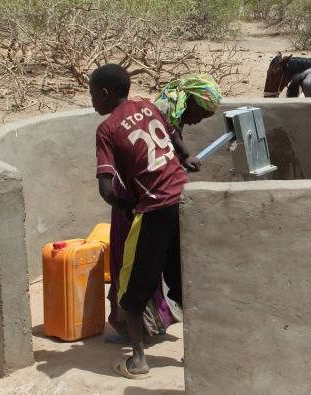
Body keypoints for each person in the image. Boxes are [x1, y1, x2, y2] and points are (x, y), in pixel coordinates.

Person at [89, 64, 222, 379]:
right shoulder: (147, 105)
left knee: (132, 289)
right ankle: (199, 354)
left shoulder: (106, 130)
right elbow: (170, 132)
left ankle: (137, 361)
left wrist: (126, 205)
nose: (92, 101)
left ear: (105, 94)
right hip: (183, 199)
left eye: (93, 94)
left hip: (153, 210)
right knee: (182, 283)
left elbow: (106, 189)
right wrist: (185, 156)